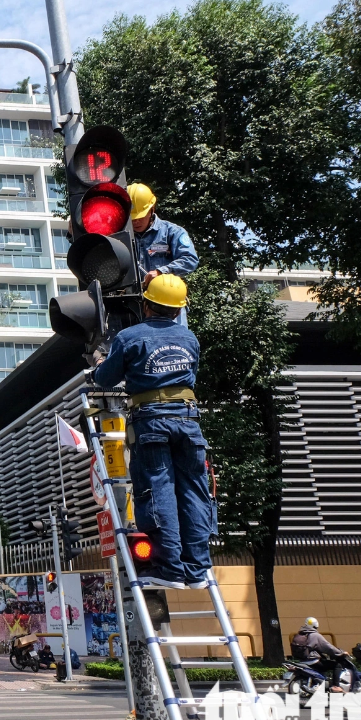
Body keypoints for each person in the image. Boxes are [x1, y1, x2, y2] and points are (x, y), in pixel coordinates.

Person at [93, 273, 214, 589]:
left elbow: (105, 379)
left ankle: (170, 568)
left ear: (146, 304)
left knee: (158, 490)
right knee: (194, 493)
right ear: (177, 310)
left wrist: (99, 361)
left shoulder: (130, 337)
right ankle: (197, 570)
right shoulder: (190, 339)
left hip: (151, 421)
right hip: (189, 421)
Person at [128, 183, 199, 324]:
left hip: (168, 306)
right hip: (134, 307)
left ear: (151, 209)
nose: (136, 221)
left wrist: (161, 271)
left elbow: (190, 259)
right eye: (132, 218)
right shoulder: (120, 237)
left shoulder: (172, 232)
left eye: (140, 216)